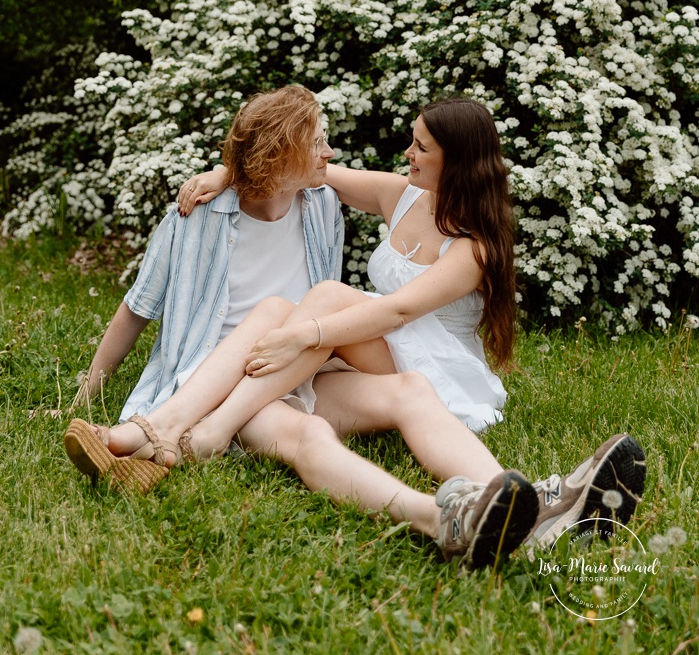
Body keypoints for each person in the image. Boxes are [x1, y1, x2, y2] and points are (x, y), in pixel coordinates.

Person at [65, 85, 646, 568]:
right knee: (328, 384)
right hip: (263, 367)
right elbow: (289, 162)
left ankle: (175, 433)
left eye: (420, 146)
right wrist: (227, 171)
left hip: (347, 349)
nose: (407, 153)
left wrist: (305, 334)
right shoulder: (392, 195)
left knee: (305, 305)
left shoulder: (471, 245)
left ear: (455, 162)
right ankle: (514, 516)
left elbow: (393, 310)